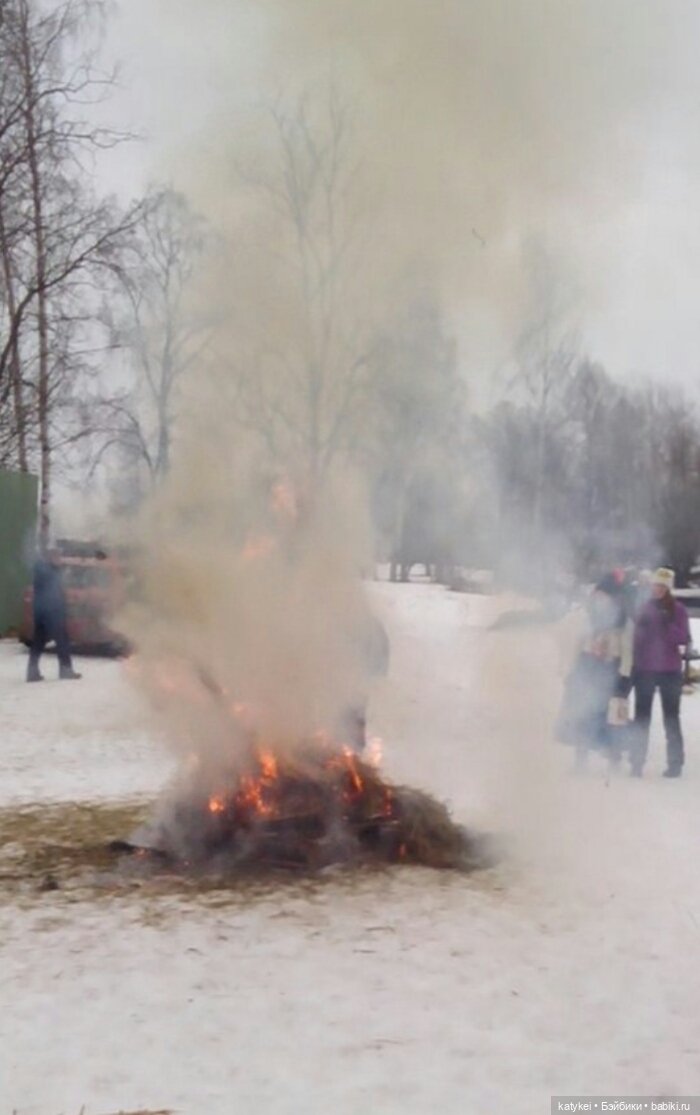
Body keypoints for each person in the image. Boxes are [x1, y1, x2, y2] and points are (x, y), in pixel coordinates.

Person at [556, 572, 633, 771]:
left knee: (612, 715)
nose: (600, 598)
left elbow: (627, 649)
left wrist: (625, 675)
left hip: (611, 666)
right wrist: (571, 670)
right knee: (584, 712)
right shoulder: (586, 615)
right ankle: (580, 758)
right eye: (598, 594)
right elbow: (576, 642)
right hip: (587, 664)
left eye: (604, 595)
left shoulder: (622, 618)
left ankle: (613, 754)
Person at [630, 567, 690, 778]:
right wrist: (642, 629)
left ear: (668, 588)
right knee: (641, 718)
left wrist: (667, 624)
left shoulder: (678, 609)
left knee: (671, 718)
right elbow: (635, 639)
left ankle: (675, 763)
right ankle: (636, 762)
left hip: (670, 671)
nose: (658, 590)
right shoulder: (643, 607)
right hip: (645, 669)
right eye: (656, 585)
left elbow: (682, 638)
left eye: (663, 586)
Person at [26, 550, 82, 682]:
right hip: (52, 611)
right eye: (57, 557)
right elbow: (54, 592)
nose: (60, 560)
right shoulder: (48, 572)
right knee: (62, 640)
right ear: (50, 558)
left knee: (38, 642)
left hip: (42, 611)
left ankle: (32, 672)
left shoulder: (42, 570)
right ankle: (65, 670)